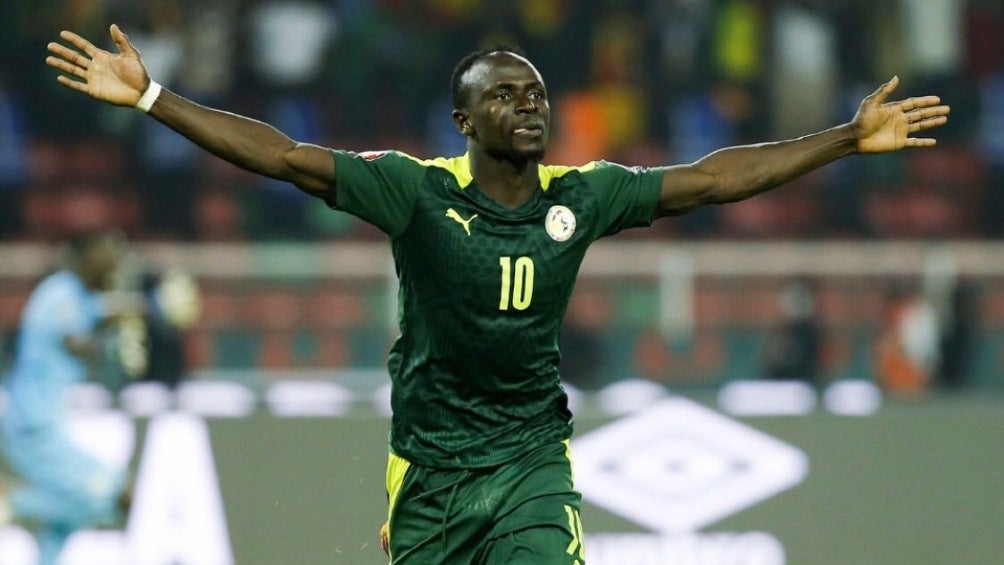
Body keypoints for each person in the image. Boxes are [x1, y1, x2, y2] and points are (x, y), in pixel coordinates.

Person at [44, 24, 950, 564]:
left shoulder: (581, 196)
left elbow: (711, 178)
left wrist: (842, 137)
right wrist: (155, 95)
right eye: (507, 95)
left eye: (538, 94)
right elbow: (283, 157)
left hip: (529, 463)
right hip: (430, 474)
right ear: (464, 121)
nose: (530, 106)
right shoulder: (416, 191)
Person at [0, 230, 137, 565]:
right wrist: (117, 335)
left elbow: (103, 311)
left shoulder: (77, 295)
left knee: (64, 521)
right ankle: (12, 502)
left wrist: (141, 312)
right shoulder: (60, 292)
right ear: (87, 256)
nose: (113, 263)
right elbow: (77, 341)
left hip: (41, 420)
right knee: (111, 492)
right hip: (32, 423)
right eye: (107, 252)